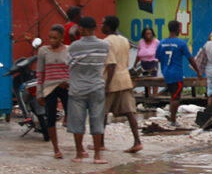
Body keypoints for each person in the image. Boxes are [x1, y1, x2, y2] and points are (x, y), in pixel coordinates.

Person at [66, 16, 110, 164]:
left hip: (77, 89)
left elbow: (68, 63)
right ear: (95, 28)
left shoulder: (73, 47)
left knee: (77, 122)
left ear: (81, 29)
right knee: (97, 120)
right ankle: (97, 156)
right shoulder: (104, 45)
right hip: (97, 87)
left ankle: (79, 154)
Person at [102, 16, 142, 154]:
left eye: (103, 23)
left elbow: (111, 64)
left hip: (112, 80)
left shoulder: (106, 42)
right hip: (125, 78)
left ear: (108, 26)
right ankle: (137, 141)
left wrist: (106, 86)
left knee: (103, 113)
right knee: (129, 111)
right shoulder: (124, 40)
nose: (101, 26)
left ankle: (100, 143)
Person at [155, 20, 201, 125]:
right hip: (176, 74)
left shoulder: (161, 43)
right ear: (177, 29)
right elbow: (190, 58)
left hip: (166, 73)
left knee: (172, 95)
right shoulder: (181, 43)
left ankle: (171, 116)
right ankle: (172, 120)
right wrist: (198, 71)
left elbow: (158, 58)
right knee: (176, 97)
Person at [36, 24, 69, 158]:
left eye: (55, 38)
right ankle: (56, 149)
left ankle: (80, 147)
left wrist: (69, 83)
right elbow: (40, 72)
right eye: (49, 38)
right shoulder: (43, 51)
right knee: (50, 118)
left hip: (65, 87)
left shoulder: (69, 50)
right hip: (49, 88)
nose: (51, 41)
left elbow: (72, 69)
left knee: (72, 116)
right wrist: (39, 92)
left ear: (61, 38)